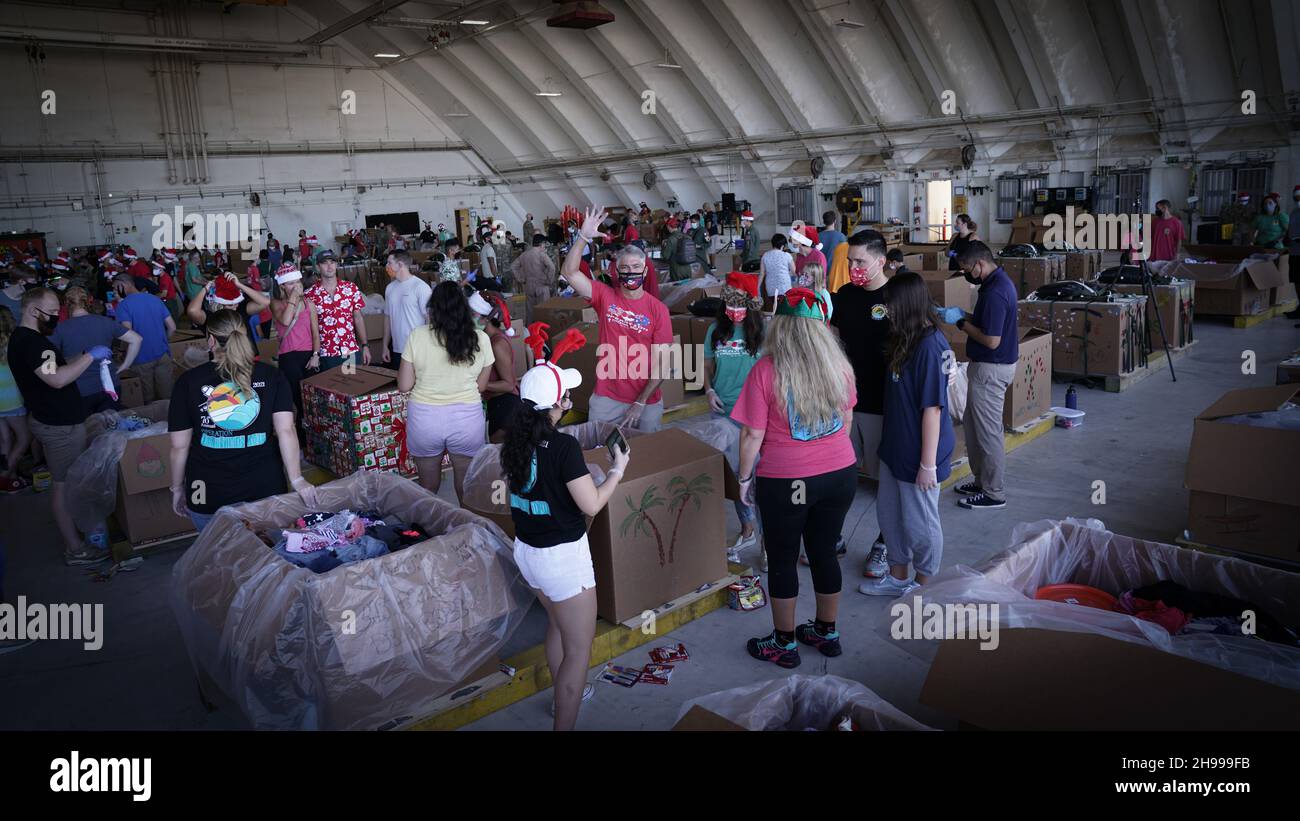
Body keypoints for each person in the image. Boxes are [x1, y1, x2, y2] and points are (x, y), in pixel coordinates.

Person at [502, 330, 630, 729]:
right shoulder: (563, 448)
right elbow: (591, 503)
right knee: (579, 652)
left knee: (557, 623)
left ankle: (563, 696)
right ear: (556, 404)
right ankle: (566, 711)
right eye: (567, 394)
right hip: (563, 561)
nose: (571, 399)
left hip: (527, 554)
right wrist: (617, 470)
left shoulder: (514, 441)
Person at [732, 287, 857, 668]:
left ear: (780, 327)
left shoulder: (766, 370)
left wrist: (743, 478)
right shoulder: (840, 366)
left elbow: (752, 435)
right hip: (840, 474)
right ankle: (826, 631)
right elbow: (847, 420)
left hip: (789, 481)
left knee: (784, 558)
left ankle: (783, 644)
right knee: (823, 551)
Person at [167, 310, 316, 533]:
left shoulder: (188, 381)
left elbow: (179, 446)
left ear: (210, 339)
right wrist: (296, 479)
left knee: (217, 558)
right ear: (245, 336)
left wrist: (178, 488)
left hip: (204, 491)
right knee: (269, 559)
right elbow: (286, 430)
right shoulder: (271, 375)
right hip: (265, 487)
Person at [859, 272, 955, 597]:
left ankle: (923, 584)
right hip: (895, 446)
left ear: (908, 305)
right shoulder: (903, 337)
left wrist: (927, 464)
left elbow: (933, 409)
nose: (888, 311)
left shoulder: (930, 345)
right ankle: (899, 576)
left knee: (921, 523)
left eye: (891, 305)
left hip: (919, 454)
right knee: (890, 516)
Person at [8, 288, 106, 565]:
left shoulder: (29, 339)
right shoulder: (32, 343)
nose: (55, 318)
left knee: (68, 482)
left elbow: (53, 368)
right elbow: (57, 379)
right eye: (51, 313)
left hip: (54, 419)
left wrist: (83, 354)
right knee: (63, 486)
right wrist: (89, 358)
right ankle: (75, 549)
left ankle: (77, 535)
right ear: (32, 311)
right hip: (59, 426)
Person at [563, 207, 672, 433]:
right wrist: (582, 237)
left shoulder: (658, 310)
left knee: (645, 458)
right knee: (601, 451)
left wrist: (640, 402)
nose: (630, 272)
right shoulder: (605, 296)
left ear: (644, 272)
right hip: (607, 397)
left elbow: (663, 364)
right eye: (625, 268)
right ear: (617, 272)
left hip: (647, 401)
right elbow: (570, 273)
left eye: (636, 268)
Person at [832, 229, 893, 577]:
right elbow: (835, 342)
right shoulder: (844, 297)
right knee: (841, 475)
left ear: (881, 261)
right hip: (846, 404)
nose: (853, 267)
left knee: (887, 480)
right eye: (850, 261)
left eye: (860, 261)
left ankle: (884, 545)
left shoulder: (898, 296)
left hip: (884, 405)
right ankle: (834, 537)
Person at [397, 281, 494, 501]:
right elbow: (481, 387)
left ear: (433, 309)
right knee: (465, 487)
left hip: (425, 419)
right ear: (464, 309)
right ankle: (467, 531)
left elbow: (404, 385)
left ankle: (427, 531)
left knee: (428, 487)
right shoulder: (481, 339)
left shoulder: (417, 335)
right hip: (466, 420)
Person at [941, 241, 1017, 510]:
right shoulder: (992, 285)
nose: (966, 274)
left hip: (991, 368)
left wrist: (961, 323)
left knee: (988, 433)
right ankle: (981, 480)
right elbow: (986, 322)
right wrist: (965, 314)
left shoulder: (996, 291)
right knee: (973, 427)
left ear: (979, 264)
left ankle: (994, 492)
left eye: (966, 269)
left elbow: (991, 340)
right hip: (985, 367)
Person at [703, 272, 764, 562]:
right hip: (723, 413)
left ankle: (768, 544)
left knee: (760, 479)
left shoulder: (761, 333)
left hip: (756, 417)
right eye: (729, 305)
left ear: (750, 306)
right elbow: (706, 363)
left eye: (740, 306)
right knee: (738, 475)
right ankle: (747, 529)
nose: (734, 312)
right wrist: (708, 390)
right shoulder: (715, 330)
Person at [50, 286, 142, 414]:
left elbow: (51, 361)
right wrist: (125, 366)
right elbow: (136, 339)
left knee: (88, 430)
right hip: (110, 386)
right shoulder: (105, 322)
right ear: (89, 301)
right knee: (112, 428)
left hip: (79, 389)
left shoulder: (59, 329)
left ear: (66, 304)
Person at [113, 276, 177, 405]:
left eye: (115, 288)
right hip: (163, 354)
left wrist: (122, 351)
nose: (114, 292)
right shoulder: (155, 299)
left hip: (140, 358)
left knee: (148, 399)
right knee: (168, 397)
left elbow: (127, 335)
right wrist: (162, 340)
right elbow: (172, 327)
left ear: (123, 285)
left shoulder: (123, 306)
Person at [469, 291, 523, 442]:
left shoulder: (497, 344)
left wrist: (477, 384)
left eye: (472, 314)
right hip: (495, 404)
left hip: (506, 406)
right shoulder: (486, 339)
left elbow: (509, 384)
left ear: (486, 319)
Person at [304, 250, 369, 372]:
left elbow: (358, 318)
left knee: (353, 388)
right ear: (318, 267)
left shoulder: (350, 288)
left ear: (337, 264)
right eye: (324, 263)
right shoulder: (309, 295)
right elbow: (309, 328)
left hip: (349, 351)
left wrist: (365, 345)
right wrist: (315, 354)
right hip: (326, 354)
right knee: (330, 390)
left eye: (332, 262)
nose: (329, 266)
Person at [269, 263, 314, 440]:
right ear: (282, 286)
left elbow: (315, 333)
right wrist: (294, 297)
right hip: (288, 356)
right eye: (290, 283)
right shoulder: (276, 304)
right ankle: (302, 441)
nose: (295, 286)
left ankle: (315, 438)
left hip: (309, 355)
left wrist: (316, 354)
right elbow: (286, 320)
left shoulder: (309, 303)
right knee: (298, 400)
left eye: (297, 282)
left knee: (312, 400)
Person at [380, 250, 432, 371]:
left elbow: (429, 319)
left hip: (417, 350)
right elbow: (388, 318)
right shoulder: (390, 288)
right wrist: (384, 345)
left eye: (389, 263)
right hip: (397, 349)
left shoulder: (420, 287)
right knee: (401, 387)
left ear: (400, 264)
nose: (387, 266)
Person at [0, 307, 33, 493]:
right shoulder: (13, 343)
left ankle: (11, 477)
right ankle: (4, 476)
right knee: (24, 437)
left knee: (5, 441)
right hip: (11, 399)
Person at [186, 271, 271, 335]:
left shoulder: (240, 310)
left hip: (244, 355)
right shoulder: (211, 317)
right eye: (230, 305)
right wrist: (206, 288)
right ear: (220, 304)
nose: (235, 306)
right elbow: (192, 311)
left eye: (237, 302)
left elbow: (265, 302)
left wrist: (239, 284)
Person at [513, 234, 557, 324]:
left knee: (530, 313)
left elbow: (513, 266)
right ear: (541, 244)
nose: (544, 246)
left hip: (529, 285)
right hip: (542, 285)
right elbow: (552, 267)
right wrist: (549, 281)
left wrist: (521, 279)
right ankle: (544, 333)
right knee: (544, 311)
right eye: (544, 244)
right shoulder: (542, 255)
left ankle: (530, 333)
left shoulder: (524, 255)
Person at [246, 251, 275, 339]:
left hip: (252, 289)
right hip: (258, 289)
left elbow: (249, 280)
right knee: (263, 304)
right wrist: (263, 282)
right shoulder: (255, 268)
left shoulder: (249, 268)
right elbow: (257, 279)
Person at [759, 233, 793, 301]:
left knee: (774, 306)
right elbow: (794, 271)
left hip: (771, 288)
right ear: (783, 246)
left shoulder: (765, 255)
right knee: (784, 306)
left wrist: (757, 289)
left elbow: (762, 274)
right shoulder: (787, 255)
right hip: (785, 288)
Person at [660, 218, 693, 283]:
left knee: (678, 290)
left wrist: (663, 246)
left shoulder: (671, 239)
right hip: (688, 268)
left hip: (676, 269)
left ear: (669, 226)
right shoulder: (687, 236)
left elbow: (666, 256)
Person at [1286, 186, 1300, 323]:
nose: (1298, 200)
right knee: (1296, 280)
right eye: (1296, 198)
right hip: (1294, 251)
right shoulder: (1294, 212)